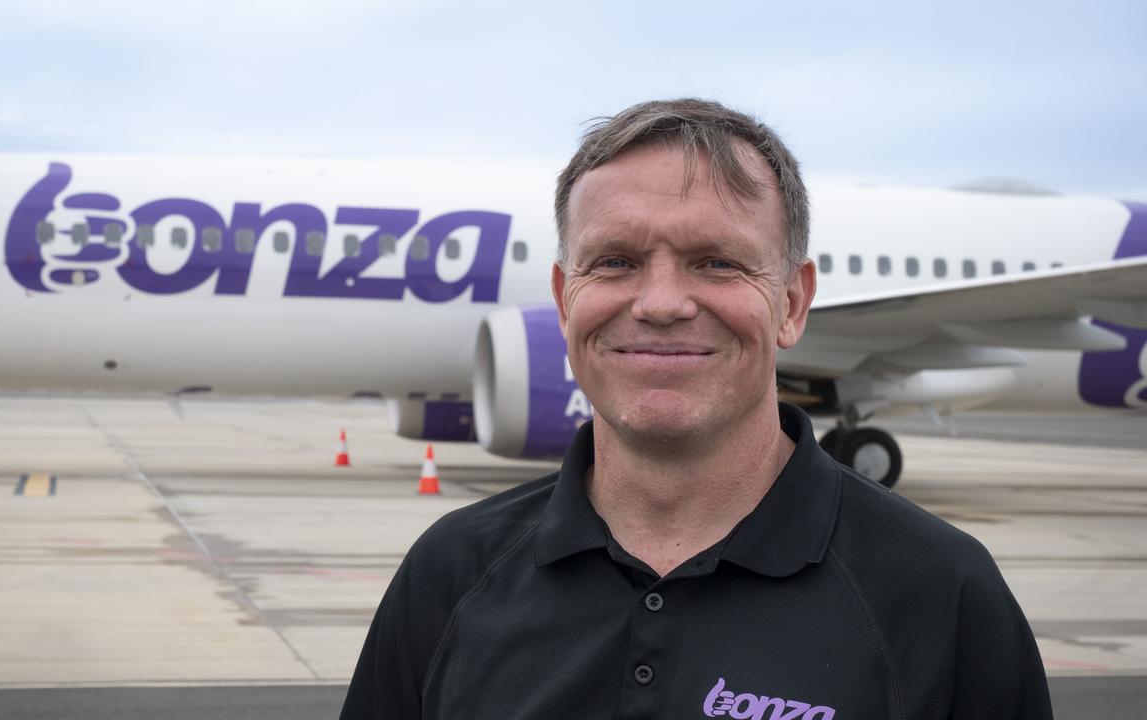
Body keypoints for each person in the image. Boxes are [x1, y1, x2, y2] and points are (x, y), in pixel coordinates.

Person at [339, 98, 1052, 719]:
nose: (660, 305)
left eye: (716, 262)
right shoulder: (451, 572)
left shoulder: (941, 594)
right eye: (615, 261)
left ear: (793, 302)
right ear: (564, 298)